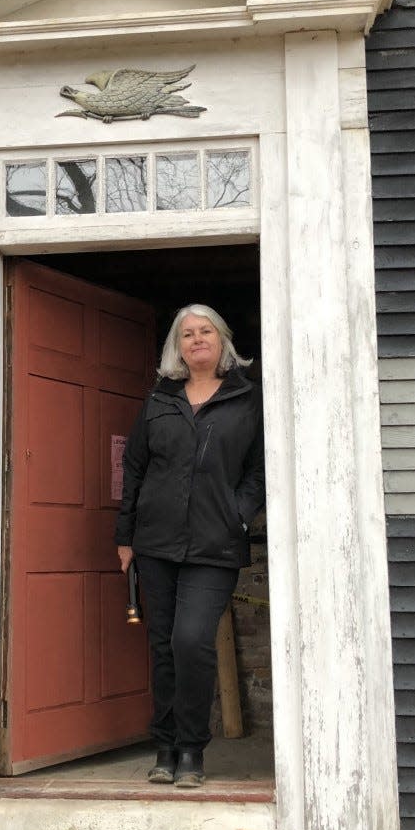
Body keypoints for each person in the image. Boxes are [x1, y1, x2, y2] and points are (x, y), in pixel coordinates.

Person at [115, 304, 265, 788]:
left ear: (222, 342)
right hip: (155, 541)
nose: (196, 339)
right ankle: (166, 747)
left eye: (205, 332)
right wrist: (125, 536)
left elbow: (258, 472)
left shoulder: (247, 400)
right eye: (186, 334)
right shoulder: (160, 400)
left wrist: (238, 515)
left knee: (191, 640)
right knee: (163, 646)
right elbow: (135, 468)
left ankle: (192, 749)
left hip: (215, 543)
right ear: (176, 348)